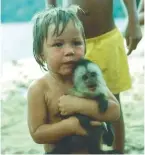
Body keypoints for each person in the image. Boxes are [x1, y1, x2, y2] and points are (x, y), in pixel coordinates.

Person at [46, 0, 142, 153]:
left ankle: (118, 150)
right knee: (60, 100)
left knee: (113, 101)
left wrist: (133, 20)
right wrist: (49, 27)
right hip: (71, 45)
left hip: (106, 40)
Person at [27, 5, 120, 154]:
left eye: (76, 43)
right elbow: (37, 133)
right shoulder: (39, 88)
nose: (69, 51)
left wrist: (79, 104)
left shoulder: (88, 78)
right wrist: (71, 125)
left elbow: (114, 111)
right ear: (40, 54)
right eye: (58, 44)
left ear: (85, 46)